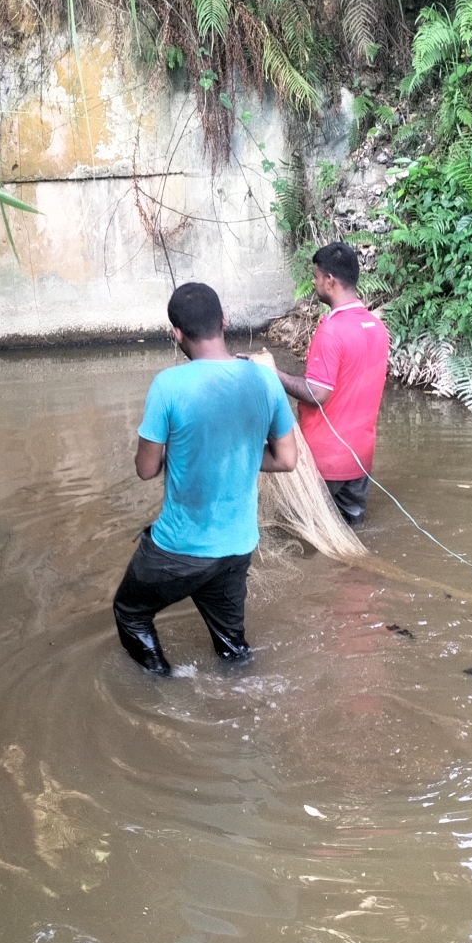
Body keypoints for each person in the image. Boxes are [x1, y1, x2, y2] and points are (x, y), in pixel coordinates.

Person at [114, 281, 298, 675]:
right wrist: (238, 453)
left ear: (176, 334)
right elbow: (286, 460)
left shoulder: (168, 385)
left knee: (130, 612)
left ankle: (162, 689)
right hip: (236, 546)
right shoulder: (266, 380)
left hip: (180, 548)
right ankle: (244, 691)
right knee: (231, 644)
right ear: (224, 321)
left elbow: (146, 469)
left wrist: (179, 451)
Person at [272, 242, 389, 524]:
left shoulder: (331, 331)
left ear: (330, 280)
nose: (313, 282)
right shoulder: (377, 327)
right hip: (360, 459)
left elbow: (317, 393)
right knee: (352, 529)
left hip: (324, 463)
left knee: (303, 530)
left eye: (315, 276)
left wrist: (274, 375)